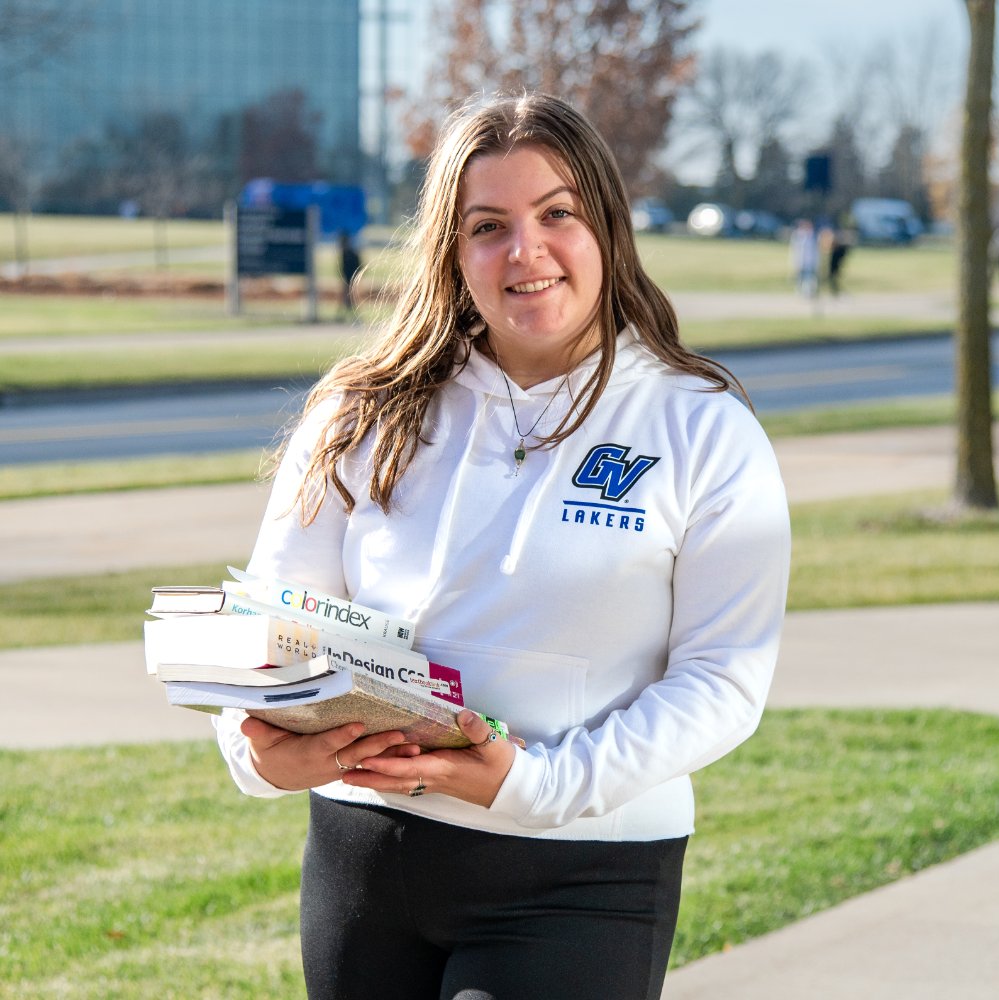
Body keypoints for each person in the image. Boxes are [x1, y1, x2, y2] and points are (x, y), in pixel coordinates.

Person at [214, 91, 790, 1000]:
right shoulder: (361, 412)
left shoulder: (703, 429)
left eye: (556, 213)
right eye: (489, 225)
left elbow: (725, 681)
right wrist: (256, 755)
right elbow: (270, 624)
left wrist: (536, 785)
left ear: (606, 227)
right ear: (452, 251)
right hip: (365, 861)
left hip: (582, 875)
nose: (525, 250)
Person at [338, 231, 361, 313]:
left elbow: (357, 265)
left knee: (350, 293)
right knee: (347, 293)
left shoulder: (350, 254)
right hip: (348, 277)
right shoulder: (346, 253)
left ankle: (350, 308)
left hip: (351, 277)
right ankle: (347, 308)